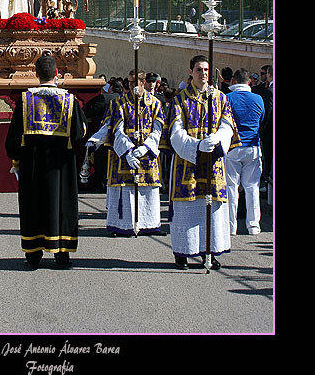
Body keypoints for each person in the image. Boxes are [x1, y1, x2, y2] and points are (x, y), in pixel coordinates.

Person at [5, 54, 88, 269]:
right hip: (61, 166)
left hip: (33, 165)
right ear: (57, 74)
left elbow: (13, 138)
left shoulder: (25, 100)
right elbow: (81, 132)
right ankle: (62, 254)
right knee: (61, 205)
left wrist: (16, 160)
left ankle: (33, 254)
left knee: (34, 205)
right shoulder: (69, 101)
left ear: (36, 74)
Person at [167, 54, 241, 270]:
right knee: (186, 209)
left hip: (213, 164)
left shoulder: (220, 98)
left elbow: (228, 125)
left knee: (212, 208)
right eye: (199, 70)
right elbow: (175, 132)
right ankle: (182, 253)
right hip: (187, 164)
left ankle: (209, 251)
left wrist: (217, 140)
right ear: (191, 72)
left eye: (207, 70)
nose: (203, 74)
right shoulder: (180, 100)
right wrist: (196, 147)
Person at [87, 69, 166, 237]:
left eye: (133, 82)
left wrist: (145, 148)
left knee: (147, 189)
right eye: (129, 82)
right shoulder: (119, 103)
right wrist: (128, 151)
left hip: (146, 153)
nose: (130, 85)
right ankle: (122, 225)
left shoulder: (155, 103)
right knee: (125, 189)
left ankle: (148, 223)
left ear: (143, 83)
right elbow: (116, 130)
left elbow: (158, 129)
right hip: (123, 154)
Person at [225, 68, 265, 235]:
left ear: (233, 80)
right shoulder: (258, 99)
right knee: (252, 187)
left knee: (231, 188)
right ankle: (253, 225)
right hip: (253, 146)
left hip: (233, 147)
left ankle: (230, 226)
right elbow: (262, 119)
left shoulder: (227, 98)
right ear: (249, 81)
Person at [260, 65, 273, 195]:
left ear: (269, 75)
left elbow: (268, 113)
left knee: (268, 159)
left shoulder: (270, 91)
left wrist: (262, 131)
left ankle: (269, 189)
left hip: (270, 134)